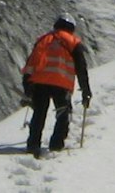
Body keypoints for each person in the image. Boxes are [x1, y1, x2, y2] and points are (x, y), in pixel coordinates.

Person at [22, 15, 92, 156]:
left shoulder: (43, 39)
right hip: (61, 84)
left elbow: (31, 62)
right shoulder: (73, 42)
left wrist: (27, 85)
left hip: (40, 82)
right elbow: (81, 68)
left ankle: (33, 145)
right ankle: (56, 144)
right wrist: (86, 90)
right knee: (63, 114)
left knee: (39, 114)